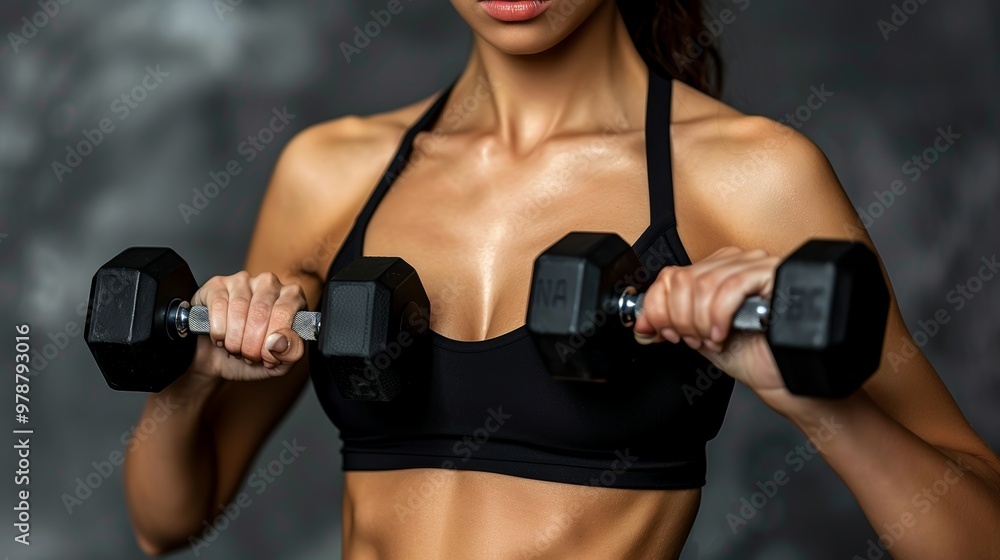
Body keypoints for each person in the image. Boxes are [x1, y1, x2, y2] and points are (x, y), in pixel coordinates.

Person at [123, 1, 1000, 558]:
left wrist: (820, 406)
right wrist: (186, 386)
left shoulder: (745, 174)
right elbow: (169, 524)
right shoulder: (331, 171)